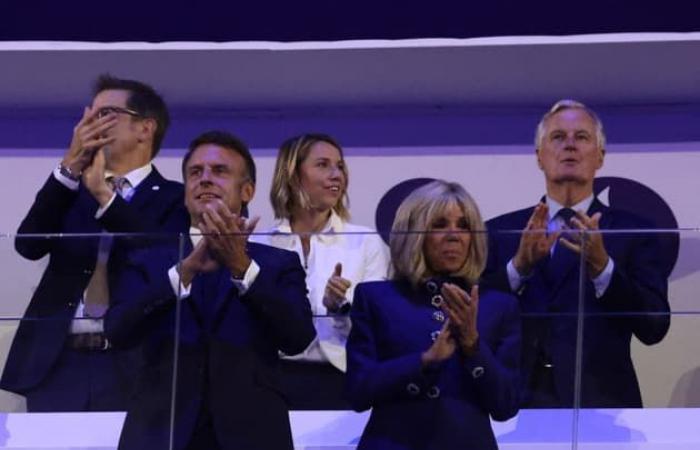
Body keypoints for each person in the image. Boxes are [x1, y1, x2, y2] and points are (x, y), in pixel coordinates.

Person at [105, 130, 316, 450]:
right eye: (195, 172)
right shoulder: (146, 258)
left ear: (247, 191)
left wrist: (242, 267)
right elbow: (118, 331)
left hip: (252, 434)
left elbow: (298, 336)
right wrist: (182, 273)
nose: (205, 179)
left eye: (219, 171)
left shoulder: (277, 263)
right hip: (161, 431)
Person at [1, 74, 187, 411]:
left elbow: (162, 257)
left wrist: (105, 196)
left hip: (132, 362)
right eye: (88, 114)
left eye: (105, 113)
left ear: (145, 128)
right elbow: (28, 245)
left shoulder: (176, 197)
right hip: (58, 363)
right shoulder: (71, 189)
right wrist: (70, 168)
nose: (89, 123)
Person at [484, 99, 670, 408]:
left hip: (602, 405)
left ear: (600, 156)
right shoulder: (500, 232)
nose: (569, 145)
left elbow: (654, 327)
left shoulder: (633, 232)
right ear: (539, 157)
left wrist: (603, 268)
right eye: (558, 137)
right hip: (515, 405)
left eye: (581, 137)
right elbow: (474, 321)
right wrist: (518, 268)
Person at [346, 180, 520, 450]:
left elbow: (506, 405)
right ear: (413, 233)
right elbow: (358, 391)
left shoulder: (498, 306)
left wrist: (474, 346)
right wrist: (424, 362)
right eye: (439, 224)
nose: (454, 235)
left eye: (463, 225)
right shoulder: (377, 298)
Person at [251, 133, 389, 409]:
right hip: (271, 376)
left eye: (340, 166)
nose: (336, 174)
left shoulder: (364, 241)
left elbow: (378, 327)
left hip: (342, 376)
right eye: (323, 165)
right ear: (292, 174)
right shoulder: (260, 243)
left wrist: (339, 307)